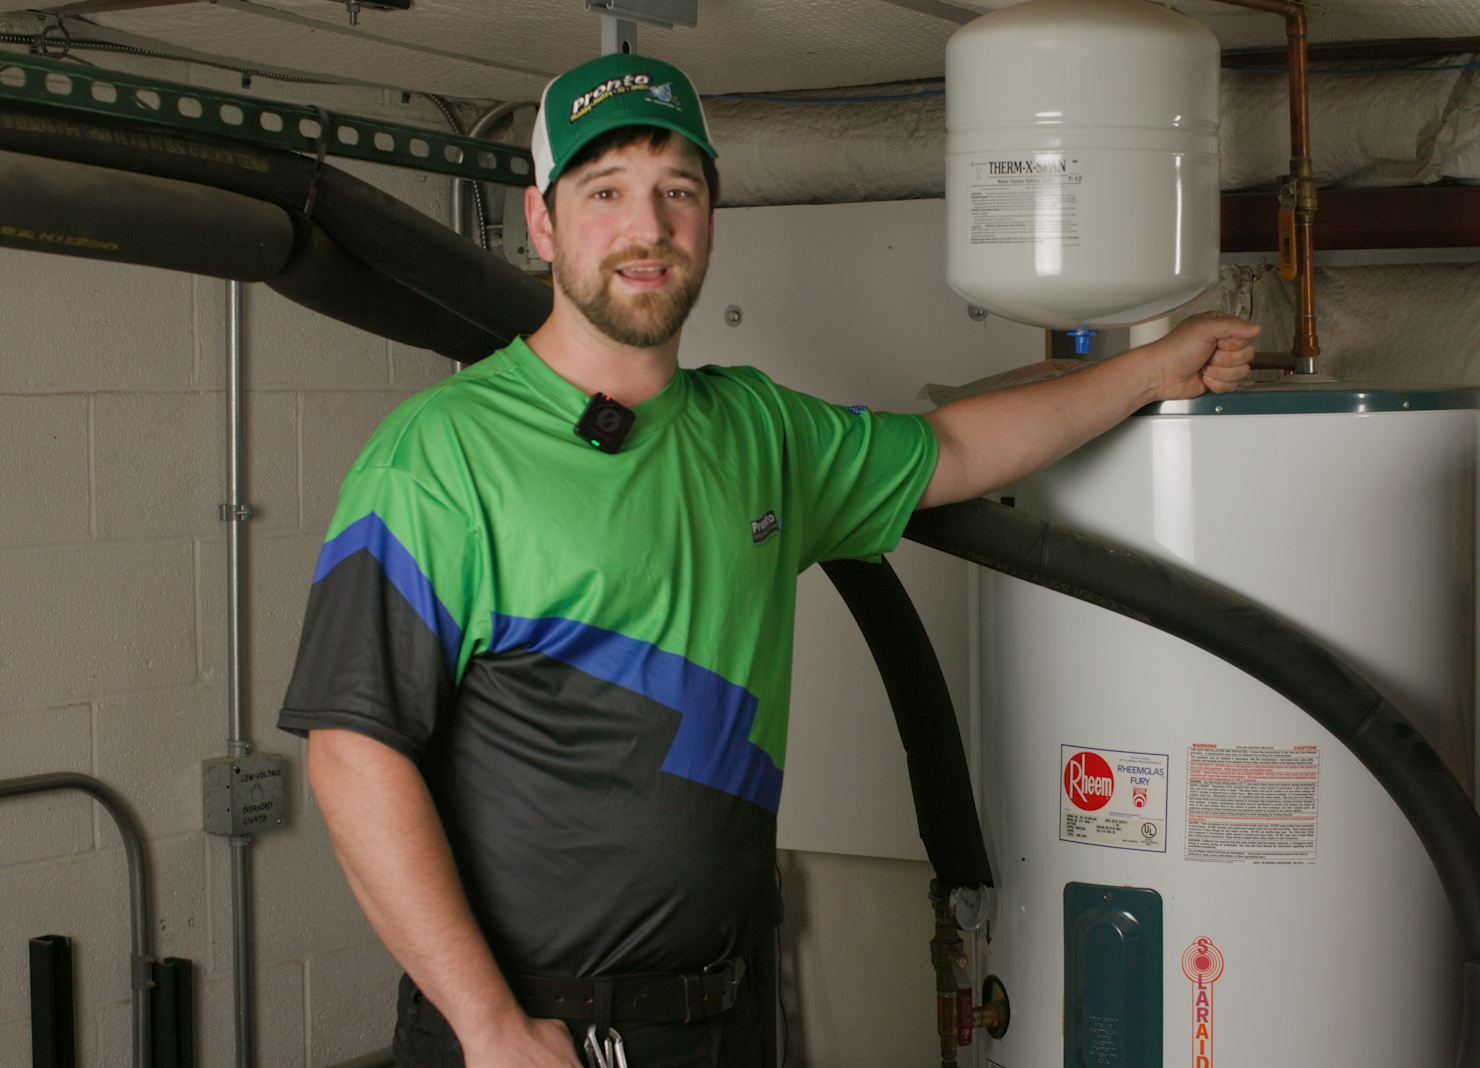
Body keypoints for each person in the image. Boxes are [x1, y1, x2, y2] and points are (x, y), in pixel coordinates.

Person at [278, 53, 1259, 1068]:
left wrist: (1151, 366)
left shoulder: (756, 430)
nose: (646, 227)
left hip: (725, 1015)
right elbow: (355, 753)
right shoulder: (441, 456)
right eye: (605, 192)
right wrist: (488, 1030)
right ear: (542, 221)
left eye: (677, 192)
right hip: (538, 1033)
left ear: (707, 221)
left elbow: (957, 450)